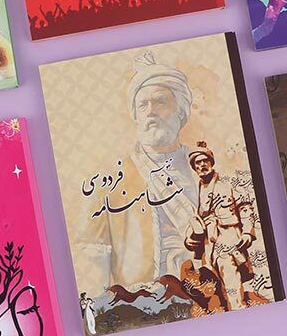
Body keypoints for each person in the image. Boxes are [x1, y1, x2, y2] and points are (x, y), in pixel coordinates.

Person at [74, 52, 199, 293]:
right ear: (135, 115)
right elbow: (91, 259)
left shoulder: (201, 168)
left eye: (160, 102)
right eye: (143, 104)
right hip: (141, 302)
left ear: (181, 111)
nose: (150, 111)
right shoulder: (108, 180)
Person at [184, 142, 255, 309]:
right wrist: (188, 239)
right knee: (214, 288)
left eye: (205, 161)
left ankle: (239, 310)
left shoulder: (226, 183)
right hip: (207, 246)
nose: (202, 165)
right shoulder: (194, 191)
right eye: (198, 163)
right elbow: (194, 220)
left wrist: (247, 232)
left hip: (228, 238)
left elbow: (245, 207)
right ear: (194, 167)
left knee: (230, 277)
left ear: (211, 162)